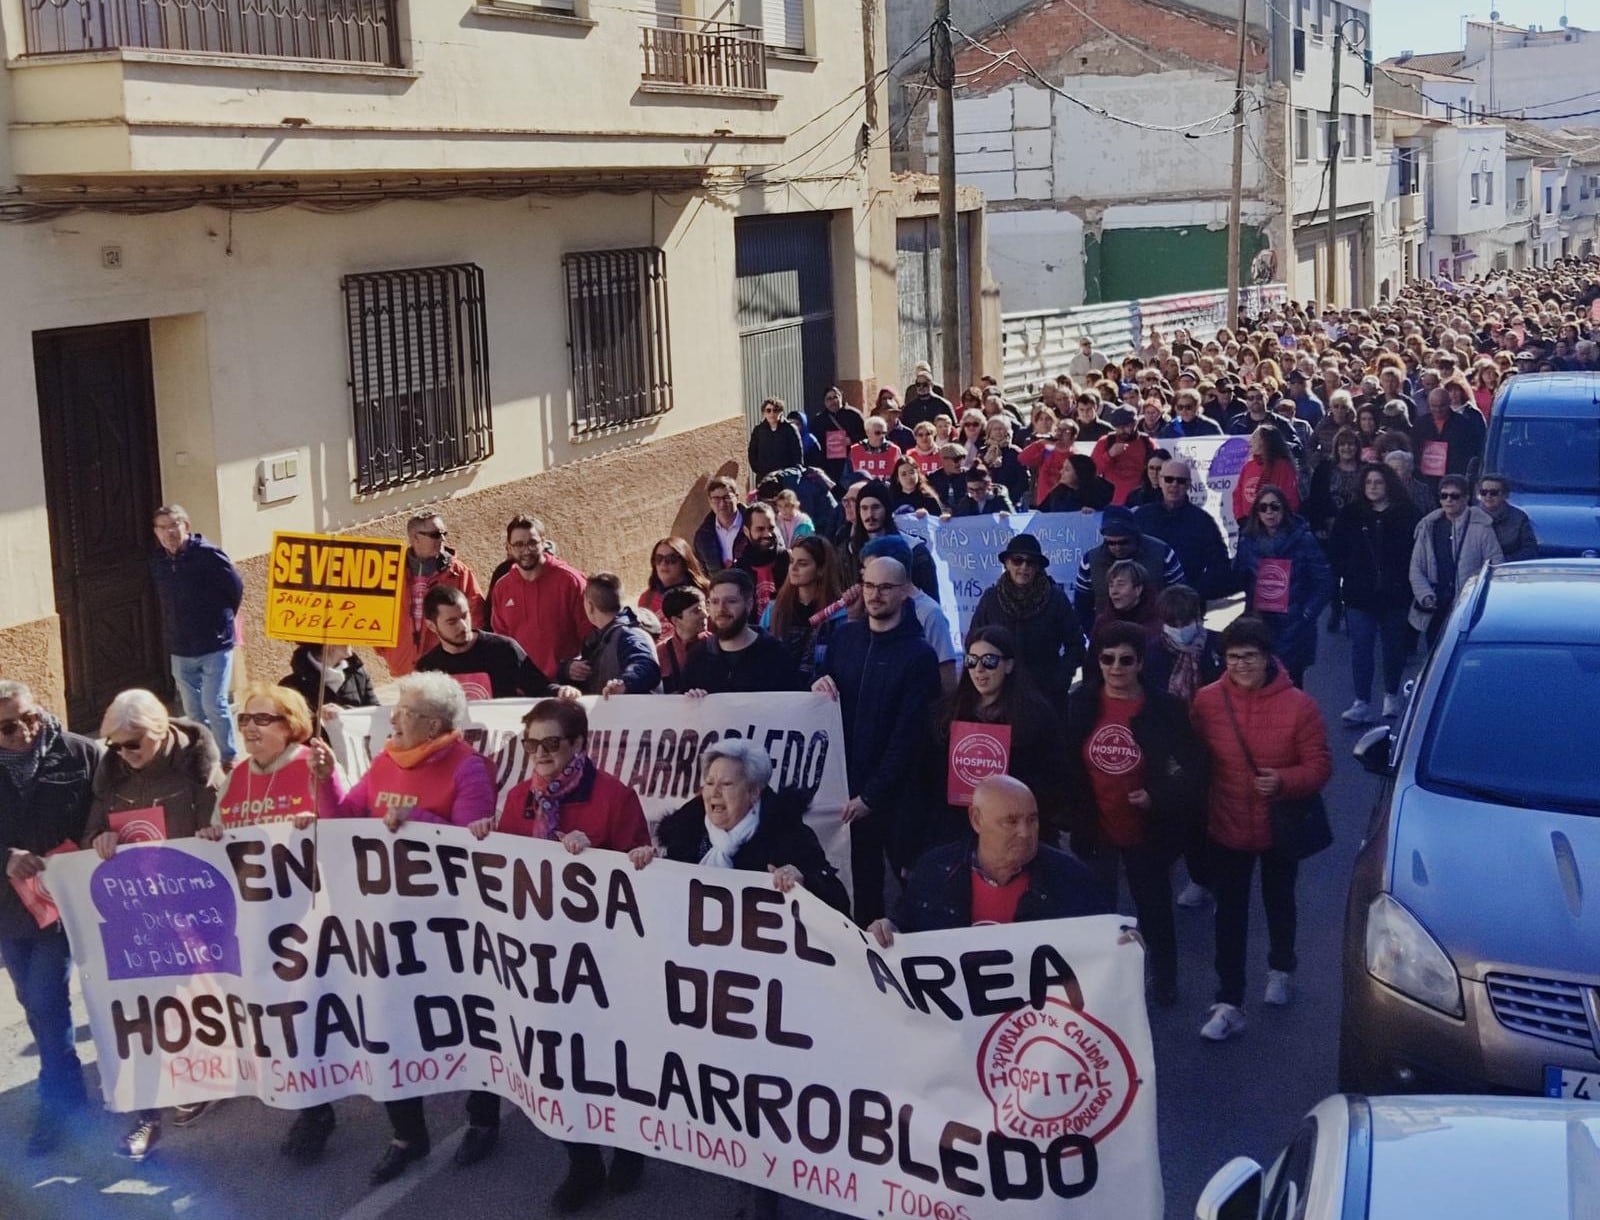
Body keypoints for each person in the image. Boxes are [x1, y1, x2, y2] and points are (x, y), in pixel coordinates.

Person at [467, 699, 651, 1212]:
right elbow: (506, 867)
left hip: (602, 957)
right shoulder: (522, 796)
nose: (540, 754)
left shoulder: (614, 795)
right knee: (559, 1064)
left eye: (552, 744)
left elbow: (643, 874)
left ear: (577, 745)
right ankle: (584, 1163)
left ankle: (631, 1150)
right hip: (539, 958)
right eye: (532, 744)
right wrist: (487, 837)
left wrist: (597, 857)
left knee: (612, 1063)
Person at [332, 672, 496, 1183]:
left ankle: (483, 1119)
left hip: (450, 926)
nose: (393, 718)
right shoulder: (384, 761)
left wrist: (416, 818)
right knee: (390, 1023)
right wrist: (321, 779)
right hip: (386, 921)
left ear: (432, 724)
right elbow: (344, 819)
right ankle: (407, 1135)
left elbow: (474, 846)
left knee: (466, 1020)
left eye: (403, 711)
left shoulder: (470, 769)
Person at [83, 689, 225, 1159]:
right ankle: (150, 1104)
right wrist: (99, 839)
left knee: (193, 999)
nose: (124, 754)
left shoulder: (197, 765)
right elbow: (92, 830)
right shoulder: (112, 772)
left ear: (161, 731)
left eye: (133, 743)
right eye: (116, 745)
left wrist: (211, 832)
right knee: (146, 1003)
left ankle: (204, 1077)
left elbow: (223, 825)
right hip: (139, 909)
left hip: (193, 903)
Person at [1189, 617, 1331, 1041]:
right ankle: (1229, 1001)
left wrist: (1285, 781)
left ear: (1267, 657)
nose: (1240, 666)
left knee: (1279, 901)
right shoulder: (1207, 701)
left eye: (1249, 657)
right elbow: (1193, 757)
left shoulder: (1300, 706)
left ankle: (1281, 967)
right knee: (1229, 915)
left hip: (1278, 826)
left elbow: (1320, 766)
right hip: (1227, 823)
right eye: (1232, 658)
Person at [1065, 622, 1208, 1007]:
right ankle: (1101, 986)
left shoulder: (1166, 708)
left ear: (1140, 663)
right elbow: (1065, 763)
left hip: (1147, 830)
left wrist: (1158, 796)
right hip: (1096, 825)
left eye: (1125, 660)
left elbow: (1194, 767)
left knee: (1155, 909)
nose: (1116, 667)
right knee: (1097, 913)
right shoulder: (1081, 703)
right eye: (1107, 659)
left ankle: (1164, 980)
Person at [812, 556, 941, 925]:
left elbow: (909, 737)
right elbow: (825, 691)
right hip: (847, 793)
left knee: (911, 890)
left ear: (904, 592)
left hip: (898, 799)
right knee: (862, 890)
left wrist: (873, 795)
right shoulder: (844, 638)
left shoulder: (919, 656)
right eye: (869, 585)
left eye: (885, 587)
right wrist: (817, 685)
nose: (875, 594)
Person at [0, 681, 99, 1154]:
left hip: (64, 901)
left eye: (31, 717)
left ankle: (56, 1098)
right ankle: (69, 1083)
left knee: (45, 998)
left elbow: (106, 811)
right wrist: (4, 856)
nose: (24, 731)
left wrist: (90, 846)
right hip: (7, 907)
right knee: (30, 998)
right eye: (7, 726)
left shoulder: (79, 752)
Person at [867, 775, 1113, 947]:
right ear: (976, 820)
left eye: (1032, 820)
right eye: (1011, 821)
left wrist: (1123, 945)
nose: (1026, 833)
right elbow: (905, 925)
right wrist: (888, 929)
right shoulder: (934, 871)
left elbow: (1102, 941)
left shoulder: (1072, 879)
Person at [937, 627, 1067, 843]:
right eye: (971, 660)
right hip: (961, 832)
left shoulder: (1036, 715)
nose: (979, 669)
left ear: (1009, 665)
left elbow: (1055, 778)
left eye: (989, 661)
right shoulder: (948, 713)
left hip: (1016, 830)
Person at [150, 504, 244, 764]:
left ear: (186, 526)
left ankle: (228, 757)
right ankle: (205, 755)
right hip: (180, 646)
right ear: (156, 533)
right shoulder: (158, 561)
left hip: (214, 643)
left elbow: (234, 589)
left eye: (174, 525)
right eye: (162, 528)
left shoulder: (208, 555)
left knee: (215, 704)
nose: (169, 533)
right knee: (193, 710)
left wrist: (219, 621)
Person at [1328, 463, 1420, 724]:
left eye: (1378, 482)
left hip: (1396, 593)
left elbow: (1417, 551)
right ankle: (1361, 702)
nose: (1373, 487)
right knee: (1361, 646)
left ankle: (1391, 694)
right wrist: (1345, 573)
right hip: (1360, 593)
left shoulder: (1407, 513)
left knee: (1393, 647)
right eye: (1368, 483)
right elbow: (1336, 550)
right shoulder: (1351, 514)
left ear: (1389, 484)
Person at [1233, 486, 1333, 688]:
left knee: (1291, 687)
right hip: (1260, 623)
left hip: (1294, 624)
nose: (1269, 512)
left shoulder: (1304, 539)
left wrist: (1307, 614)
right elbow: (1238, 577)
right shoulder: (1248, 541)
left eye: (1274, 507)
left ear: (1284, 510)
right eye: (1263, 508)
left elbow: (1324, 580)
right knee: (1260, 684)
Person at [967, 534, 1085, 702]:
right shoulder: (991, 599)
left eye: (1030, 562)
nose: (1023, 567)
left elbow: (1076, 644)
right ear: (1007, 563)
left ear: (1038, 567)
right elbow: (973, 640)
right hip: (1001, 693)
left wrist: (1061, 678)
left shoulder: (1055, 598)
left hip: (1046, 694)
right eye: (1017, 560)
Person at [419, 585, 575, 699]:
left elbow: (540, 687)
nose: (463, 626)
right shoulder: (427, 668)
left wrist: (561, 692)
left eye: (465, 615)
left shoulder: (503, 649)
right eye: (452, 622)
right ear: (432, 626)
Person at [383, 511, 486, 679]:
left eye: (444, 533)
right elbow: (378, 613)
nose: (442, 539)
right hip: (405, 666)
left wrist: (464, 650)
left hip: (447, 664)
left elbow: (476, 614)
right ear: (415, 538)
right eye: (435, 535)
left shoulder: (458, 572)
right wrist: (388, 652)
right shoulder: (392, 572)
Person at [1408, 474, 1504, 650]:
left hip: (1467, 605)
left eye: (1455, 496)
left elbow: (1495, 565)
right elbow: (1416, 567)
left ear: (1466, 498)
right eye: (1444, 496)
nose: (1448, 500)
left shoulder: (1481, 527)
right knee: (1434, 654)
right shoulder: (1428, 526)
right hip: (1436, 605)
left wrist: (1477, 597)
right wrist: (1425, 595)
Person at [489, 515, 591, 680]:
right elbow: (501, 642)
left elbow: (591, 635)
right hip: (524, 685)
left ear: (543, 542)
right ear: (509, 548)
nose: (526, 550)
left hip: (567, 684)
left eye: (532, 543)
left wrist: (575, 666)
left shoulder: (571, 581)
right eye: (519, 545)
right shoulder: (502, 588)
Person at [680, 569, 803, 695]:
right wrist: (693, 698)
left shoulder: (775, 655)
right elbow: (683, 706)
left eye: (731, 601)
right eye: (715, 602)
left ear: (749, 604)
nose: (721, 609)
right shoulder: (698, 656)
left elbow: (791, 706)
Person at [1132, 459, 1232, 599]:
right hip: (1146, 602)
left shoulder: (1203, 521)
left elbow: (1219, 565)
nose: (1174, 485)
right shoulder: (1141, 517)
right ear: (1160, 482)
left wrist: (1194, 592)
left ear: (1189, 485)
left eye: (1181, 481)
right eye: (1169, 479)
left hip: (1187, 603)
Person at [1072, 508, 1185, 627]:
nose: (1117, 547)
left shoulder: (1163, 553)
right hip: (1109, 634)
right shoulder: (1090, 561)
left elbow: (1179, 597)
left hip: (1157, 631)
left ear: (1135, 536)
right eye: (1111, 543)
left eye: (1123, 542)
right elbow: (1082, 605)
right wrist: (1094, 634)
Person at [760, 534, 846, 684]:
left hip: (820, 694)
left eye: (803, 563)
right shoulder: (774, 610)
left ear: (820, 569)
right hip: (779, 693)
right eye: (792, 561)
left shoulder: (838, 614)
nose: (793, 568)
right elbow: (759, 652)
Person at [559, 574, 661, 696]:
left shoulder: (629, 635)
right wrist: (567, 670)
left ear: (590, 606)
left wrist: (624, 684)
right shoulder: (597, 638)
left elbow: (646, 666)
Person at [846, 480, 938, 599]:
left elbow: (930, 598)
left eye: (876, 507)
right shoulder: (849, 550)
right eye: (864, 508)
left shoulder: (915, 550)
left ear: (887, 510)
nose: (870, 515)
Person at [1411, 386, 1485, 491]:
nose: (1438, 410)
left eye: (1442, 406)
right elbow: (1414, 448)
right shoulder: (1421, 423)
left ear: (1449, 403)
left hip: (1453, 478)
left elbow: (1472, 451)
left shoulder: (1463, 424)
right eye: (1434, 406)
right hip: (1426, 479)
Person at [280, 643, 376, 721]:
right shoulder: (290, 686)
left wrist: (345, 713)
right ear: (330, 644)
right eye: (346, 634)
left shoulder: (358, 674)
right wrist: (318, 718)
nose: (353, 639)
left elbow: (376, 713)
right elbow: (291, 728)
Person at [1232, 424, 1302, 525]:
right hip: (1249, 523)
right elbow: (1237, 494)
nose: (1250, 442)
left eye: (1254, 438)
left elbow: (1289, 498)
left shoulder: (1283, 467)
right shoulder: (1248, 466)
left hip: (1275, 525)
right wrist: (1240, 517)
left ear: (1265, 441)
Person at [733, 502, 790, 614]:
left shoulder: (789, 561)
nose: (767, 534)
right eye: (760, 529)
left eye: (771, 528)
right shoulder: (738, 570)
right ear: (746, 531)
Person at [1090, 407, 1156, 505]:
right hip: (1109, 499)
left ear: (1135, 423)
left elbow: (1159, 470)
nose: (1121, 430)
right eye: (1117, 427)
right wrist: (1109, 455)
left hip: (1139, 499)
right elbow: (1091, 471)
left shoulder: (1147, 443)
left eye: (1126, 426)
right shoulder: (1105, 442)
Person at [1092, 559, 1163, 641]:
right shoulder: (1102, 623)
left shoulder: (1158, 625)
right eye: (1111, 585)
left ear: (1138, 589)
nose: (1114, 591)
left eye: (1120, 584)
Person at [690, 476, 748, 576]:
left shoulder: (754, 523)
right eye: (716, 499)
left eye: (727, 497)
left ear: (737, 497)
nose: (722, 504)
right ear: (709, 501)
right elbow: (700, 571)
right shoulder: (703, 536)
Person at [656, 585, 709, 695]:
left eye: (705, 609)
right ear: (675, 620)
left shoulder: (717, 645)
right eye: (696, 611)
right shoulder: (660, 653)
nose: (705, 615)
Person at [638, 536, 708, 618]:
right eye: (659, 558)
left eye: (671, 558)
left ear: (684, 562)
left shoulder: (707, 591)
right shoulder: (647, 599)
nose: (663, 563)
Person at [1475, 472, 1539, 560]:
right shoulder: (1469, 516)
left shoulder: (1519, 518)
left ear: (1505, 495)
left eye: (1494, 493)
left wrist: (1503, 561)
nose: (1488, 496)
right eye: (1483, 492)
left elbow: (1530, 551)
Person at [810, 386, 867, 480]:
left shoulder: (854, 415)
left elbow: (866, 436)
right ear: (824, 402)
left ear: (841, 397)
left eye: (835, 397)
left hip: (851, 462)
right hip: (830, 466)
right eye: (829, 398)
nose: (833, 401)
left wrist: (851, 440)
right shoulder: (819, 421)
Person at [1036, 449, 1113, 513]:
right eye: (1063, 468)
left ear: (1079, 473)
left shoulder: (1102, 492)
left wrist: (1095, 513)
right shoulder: (1059, 492)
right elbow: (1041, 511)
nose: (1061, 472)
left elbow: (1108, 515)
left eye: (1067, 470)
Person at [747, 397, 803, 479]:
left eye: (775, 410)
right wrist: (759, 469)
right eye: (768, 410)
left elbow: (797, 453)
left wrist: (793, 472)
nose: (772, 413)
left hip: (785, 478)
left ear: (781, 412)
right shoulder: (758, 430)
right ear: (764, 413)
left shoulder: (790, 429)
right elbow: (752, 452)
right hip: (764, 478)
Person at [979, 415, 1029, 506]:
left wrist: (1011, 498)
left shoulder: (1015, 452)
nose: (998, 432)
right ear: (989, 432)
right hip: (988, 499)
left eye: (1002, 429)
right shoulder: (982, 452)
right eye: (995, 429)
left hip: (1011, 499)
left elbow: (1023, 480)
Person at [950, 462, 1016, 517]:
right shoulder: (967, 501)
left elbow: (1015, 519)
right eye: (971, 489)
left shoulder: (1000, 499)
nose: (975, 494)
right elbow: (957, 518)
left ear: (989, 486)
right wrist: (948, 519)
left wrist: (1008, 517)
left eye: (979, 489)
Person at [849, 414, 902, 481]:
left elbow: (900, 475)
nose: (881, 436)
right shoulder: (855, 450)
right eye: (877, 433)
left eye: (884, 433)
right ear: (867, 432)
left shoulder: (894, 450)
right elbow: (847, 478)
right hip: (863, 490)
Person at [928, 442, 970, 508]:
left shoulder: (969, 475)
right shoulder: (932, 478)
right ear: (943, 459)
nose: (960, 463)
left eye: (962, 458)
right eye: (956, 459)